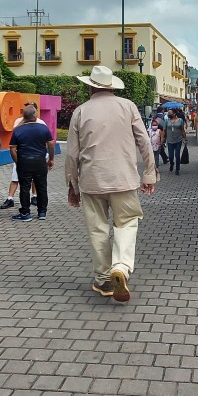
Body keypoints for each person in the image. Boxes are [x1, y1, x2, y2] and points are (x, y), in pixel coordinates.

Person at [66, 66, 156, 302]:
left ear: (91, 86)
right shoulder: (127, 107)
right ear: (111, 86)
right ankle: (121, 267)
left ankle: (104, 279)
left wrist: (72, 186)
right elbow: (144, 141)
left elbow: (72, 155)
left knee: (98, 229)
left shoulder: (80, 111)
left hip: (91, 180)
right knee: (126, 224)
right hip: (124, 180)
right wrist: (149, 173)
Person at [9, 105, 54, 221]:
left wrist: (17, 161)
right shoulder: (43, 128)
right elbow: (51, 144)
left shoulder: (18, 130)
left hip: (24, 161)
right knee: (42, 186)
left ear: (24, 117)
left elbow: (12, 148)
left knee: (24, 187)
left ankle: (25, 213)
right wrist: (51, 159)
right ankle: (42, 212)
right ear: (36, 115)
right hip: (40, 161)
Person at [1, 102, 48, 210]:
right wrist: (24, 119)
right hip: (21, 155)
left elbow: (47, 141)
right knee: (15, 177)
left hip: (36, 156)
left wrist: (46, 156)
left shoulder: (41, 123)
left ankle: (34, 197)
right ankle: (10, 198)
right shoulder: (19, 121)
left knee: (35, 180)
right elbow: (15, 132)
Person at [165, 108, 188, 175]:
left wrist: (185, 138)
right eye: (168, 113)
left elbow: (182, 130)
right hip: (169, 140)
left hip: (178, 140)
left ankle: (177, 169)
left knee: (177, 155)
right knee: (171, 156)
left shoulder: (180, 120)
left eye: (170, 113)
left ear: (174, 114)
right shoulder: (167, 121)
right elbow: (164, 130)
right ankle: (172, 163)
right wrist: (162, 139)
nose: (168, 114)